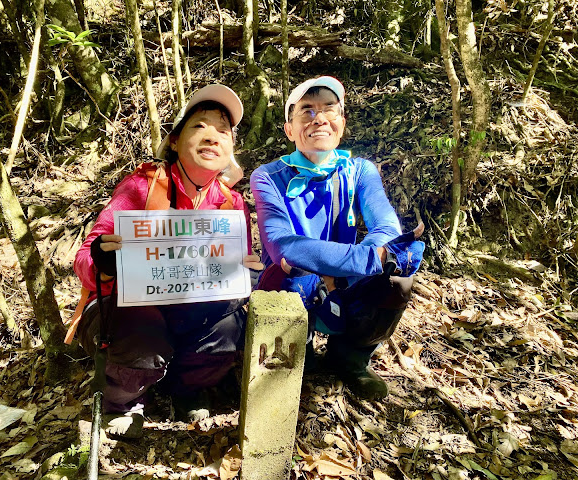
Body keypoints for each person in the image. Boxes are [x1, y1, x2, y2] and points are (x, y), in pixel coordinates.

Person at [70, 84, 262, 437]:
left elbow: (236, 271)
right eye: (200, 125)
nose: (212, 136)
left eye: (223, 131)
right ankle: (123, 401)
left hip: (192, 310)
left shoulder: (231, 203)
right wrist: (103, 259)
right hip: (129, 310)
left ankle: (184, 386)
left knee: (232, 327)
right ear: (174, 140)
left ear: (231, 149)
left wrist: (248, 274)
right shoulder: (141, 187)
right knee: (141, 336)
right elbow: (85, 258)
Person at [250, 76, 424, 400]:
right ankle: (296, 357)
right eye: (307, 111)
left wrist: (350, 271)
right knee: (293, 269)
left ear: (341, 124)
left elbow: (386, 227)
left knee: (396, 281)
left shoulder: (359, 170)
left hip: (342, 277)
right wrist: (365, 259)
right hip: (290, 278)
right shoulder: (267, 176)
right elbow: (281, 243)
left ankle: (350, 358)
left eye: (329, 110)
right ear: (289, 129)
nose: (319, 118)